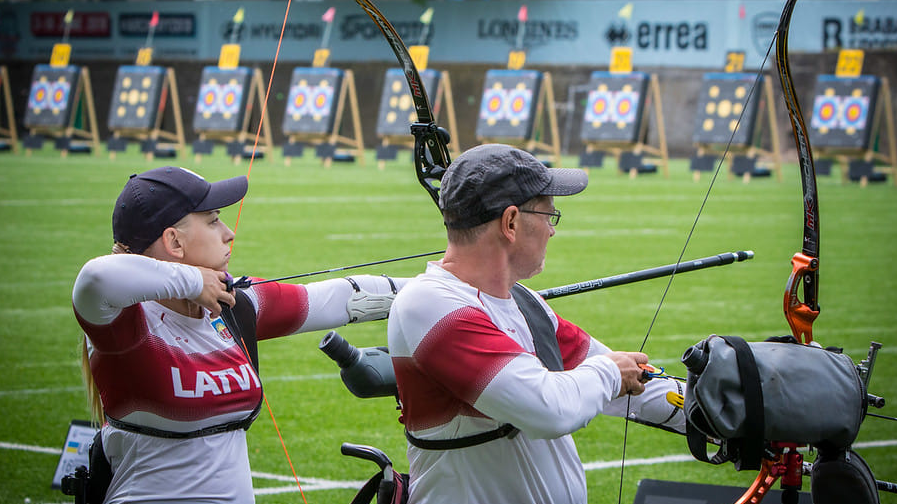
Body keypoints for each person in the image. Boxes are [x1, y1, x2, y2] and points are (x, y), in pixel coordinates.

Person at [72, 166, 404, 504]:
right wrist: (194, 281)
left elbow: (342, 297)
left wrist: (445, 290)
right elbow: (95, 277)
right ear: (174, 240)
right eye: (213, 220)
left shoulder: (233, 306)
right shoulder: (126, 323)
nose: (229, 233)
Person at [387, 144, 685, 504]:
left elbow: (635, 377)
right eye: (549, 215)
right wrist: (609, 373)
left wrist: (721, 406)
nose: (552, 231)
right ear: (510, 222)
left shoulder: (525, 303)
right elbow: (547, 409)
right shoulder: (431, 305)